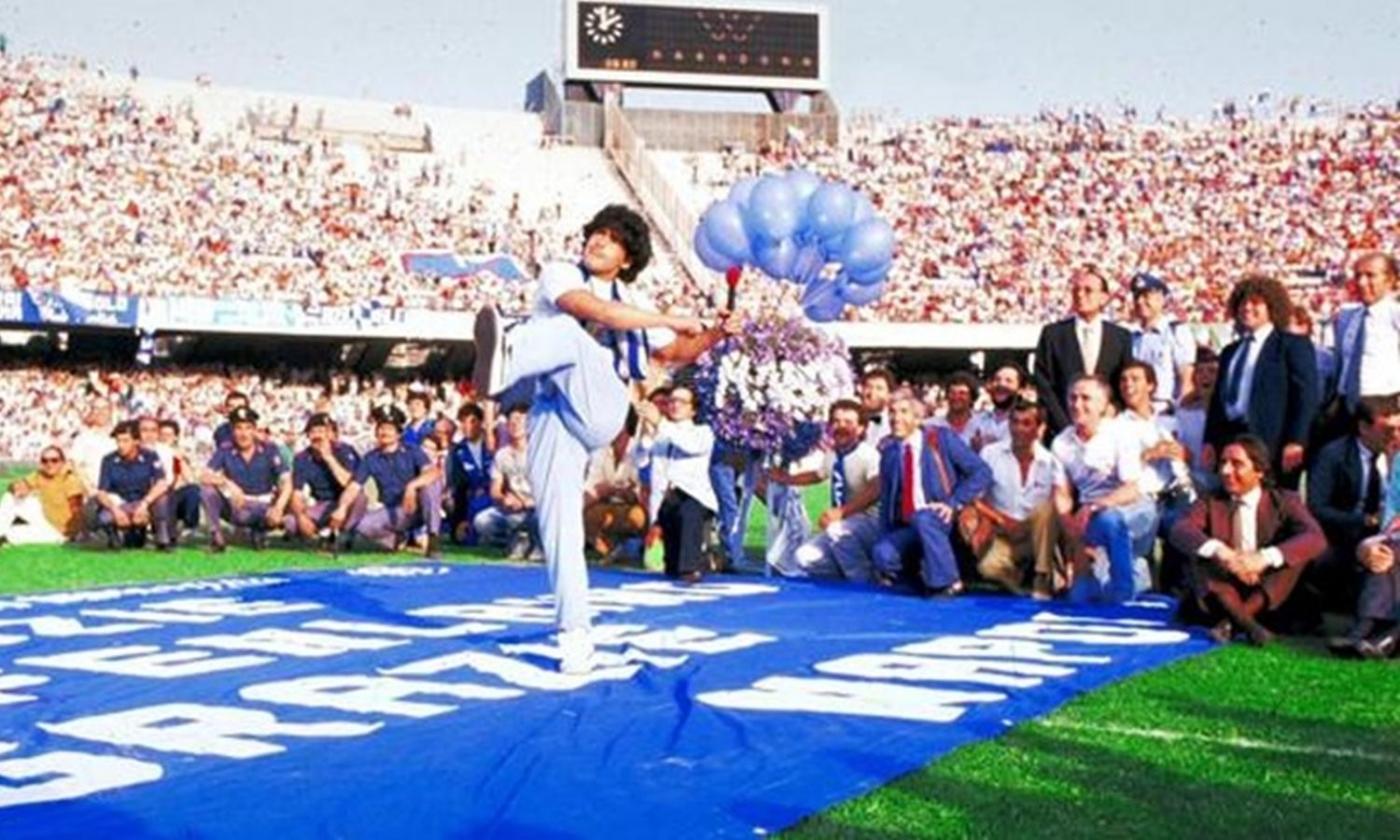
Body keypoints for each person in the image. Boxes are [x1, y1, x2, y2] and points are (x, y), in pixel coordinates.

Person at [471, 204, 731, 673]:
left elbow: (673, 353)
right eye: (595, 233)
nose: (597, 241)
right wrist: (672, 319)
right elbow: (592, 310)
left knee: (566, 338)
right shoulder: (560, 273)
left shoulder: (634, 301)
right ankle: (575, 634)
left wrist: (714, 334)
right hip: (553, 409)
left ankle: (504, 362)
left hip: (604, 403)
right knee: (558, 524)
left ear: (626, 258)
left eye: (611, 239)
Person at [1169, 435, 1326, 646]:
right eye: (1223, 462)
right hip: (1223, 592)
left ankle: (1233, 623)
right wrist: (1223, 553)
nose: (1225, 471)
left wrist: (1263, 559)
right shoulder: (1210, 500)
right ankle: (1249, 626)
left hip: (1268, 595)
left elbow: (1315, 537)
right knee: (1201, 554)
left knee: (1293, 557)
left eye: (1237, 464)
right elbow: (1180, 529)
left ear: (1259, 471)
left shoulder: (1286, 500)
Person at [871, 394, 992, 596]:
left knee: (924, 518)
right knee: (883, 553)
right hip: (909, 525)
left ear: (918, 419)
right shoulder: (890, 453)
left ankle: (949, 582)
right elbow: (887, 501)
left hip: (943, 519)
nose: (895, 418)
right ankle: (917, 576)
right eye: (891, 412)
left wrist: (954, 503)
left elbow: (981, 472)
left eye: (903, 412)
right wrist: (885, 538)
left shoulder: (941, 439)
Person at [1204, 274, 1317, 489]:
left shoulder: (1292, 346)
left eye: (1255, 303)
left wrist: (1297, 440)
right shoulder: (1230, 352)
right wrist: (1209, 441)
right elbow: (1218, 402)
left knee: (1273, 506)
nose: (1247, 308)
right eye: (1242, 303)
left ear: (1272, 307)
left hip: (1272, 442)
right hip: (1231, 438)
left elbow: (1306, 396)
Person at [1052, 375, 1158, 604]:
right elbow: (1061, 493)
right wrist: (1068, 526)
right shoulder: (1062, 442)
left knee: (1111, 520)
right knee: (1079, 599)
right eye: (1072, 398)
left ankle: (1123, 591)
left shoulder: (1121, 433)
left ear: (1102, 405)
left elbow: (1132, 489)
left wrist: (1094, 506)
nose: (1077, 404)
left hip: (1135, 510)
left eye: (1085, 398)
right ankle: (1133, 572)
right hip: (1092, 518)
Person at [1307, 395, 1400, 617]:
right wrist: (1366, 520)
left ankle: (1370, 626)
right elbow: (1317, 507)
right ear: (1363, 428)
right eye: (1387, 430)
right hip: (1344, 536)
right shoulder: (1333, 455)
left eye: (1399, 429)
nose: (1395, 436)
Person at [962, 399, 1066, 597]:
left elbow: (1060, 506)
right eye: (1014, 422)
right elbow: (975, 497)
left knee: (1047, 509)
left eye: (1026, 423)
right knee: (988, 567)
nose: (1018, 429)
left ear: (1039, 428)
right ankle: (1019, 581)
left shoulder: (1052, 463)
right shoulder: (990, 454)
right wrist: (996, 519)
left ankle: (1043, 576)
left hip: (1036, 533)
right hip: (1002, 530)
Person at [784, 400, 882, 582]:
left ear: (861, 428)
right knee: (804, 557)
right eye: (836, 422)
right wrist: (786, 478)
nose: (841, 427)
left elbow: (876, 488)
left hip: (870, 523)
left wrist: (842, 512)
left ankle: (863, 582)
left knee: (836, 529)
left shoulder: (868, 455)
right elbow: (818, 474)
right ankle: (847, 573)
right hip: (843, 522)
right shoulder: (833, 454)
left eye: (848, 422)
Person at [1033, 266, 1135, 434]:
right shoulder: (1053, 334)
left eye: (1088, 290)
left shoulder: (1120, 337)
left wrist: (1110, 415)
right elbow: (1044, 385)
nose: (1080, 295)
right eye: (1076, 290)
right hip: (1063, 431)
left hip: (1107, 431)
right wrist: (1066, 426)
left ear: (1103, 297)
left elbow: (1123, 383)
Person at [639, 385, 718, 582]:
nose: (675, 405)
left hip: (693, 498)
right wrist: (647, 434)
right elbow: (640, 460)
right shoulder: (661, 433)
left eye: (681, 402)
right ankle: (691, 561)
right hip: (665, 502)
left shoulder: (702, 432)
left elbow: (690, 445)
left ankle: (694, 565)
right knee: (671, 567)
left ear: (693, 409)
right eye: (672, 401)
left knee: (689, 509)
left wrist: (660, 423)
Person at [345, 404, 444, 558]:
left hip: (417, 505)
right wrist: (341, 508)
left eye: (389, 428)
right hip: (394, 509)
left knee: (431, 485)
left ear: (399, 433)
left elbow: (434, 472)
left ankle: (433, 539)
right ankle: (398, 539)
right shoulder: (370, 458)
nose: (384, 432)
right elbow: (354, 486)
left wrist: (412, 486)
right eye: (381, 428)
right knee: (363, 527)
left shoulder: (412, 451)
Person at [1321, 252, 1400, 445]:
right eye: (1358, 276)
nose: (1362, 282)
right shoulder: (1347, 316)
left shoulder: (1395, 315)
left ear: (1389, 280)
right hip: (1343, 403)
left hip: (1381, 404)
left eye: (1370, 275)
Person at [201, 406, 292, 552]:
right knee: (207, 491)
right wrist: (227, 483)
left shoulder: (269, 449)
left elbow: (286, 480)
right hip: (237, 505)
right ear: (232, 431)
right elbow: (204, 475)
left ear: (255, 430)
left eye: (248, 428)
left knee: (290, 522)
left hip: (264, 505)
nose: (243, 434)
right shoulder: (225, 449)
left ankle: (261, 531)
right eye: (239, 428)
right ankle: (216, 537)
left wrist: (279, 508)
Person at [473, 404, 539, 560]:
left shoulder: (539, 452)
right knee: (482, 521)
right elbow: (495, 490)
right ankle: (516, 540)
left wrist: (529, 502)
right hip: (513, 508)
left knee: (542, 517)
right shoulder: (502, 455)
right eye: (512, 421)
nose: (515, 424)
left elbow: (552, 489)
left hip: (537, 506)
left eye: (520, 420)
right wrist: (504, 499)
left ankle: (537, 542)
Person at [96, 420, 173, 551]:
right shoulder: (109, 460)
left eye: (125, 441)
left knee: (162, 500)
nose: (121, 445)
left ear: (136, 441)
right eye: (118, 441)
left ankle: (162, 539)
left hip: (143, 502)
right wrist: (115, 510)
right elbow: (101, 491)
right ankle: (115, 537)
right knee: (104, 517)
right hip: (121, 503)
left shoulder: (150, 456)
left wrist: (145, 504)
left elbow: (162, 483)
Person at [287, 413, 362, 546]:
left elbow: (348, 483)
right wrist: (301, 517)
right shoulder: (302, 458)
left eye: (321, 431)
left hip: (346, 502)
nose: (317, 436)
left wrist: (329, 458)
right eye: (313, 432)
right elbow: (296, 493)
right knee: (291, 522)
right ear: (308, 435)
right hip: (322, 503)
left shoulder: (344, 451)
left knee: (359, 497)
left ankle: (346, 534)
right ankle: (323, 533)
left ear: (329, 434)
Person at [1129, 272, 1197, 410]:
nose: (1140, 302)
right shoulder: (1131, 336)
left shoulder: (1175, 331)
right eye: (1136, 297)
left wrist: (1180, 409)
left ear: (1161, 299)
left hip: (1165, 408)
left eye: (1146, 296)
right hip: (1136, 410)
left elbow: (1186, 376)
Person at [583, 414, 646, 563]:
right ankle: (609, 551)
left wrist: (629, 492)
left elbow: (642, 486)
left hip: (634, 505)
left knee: (636, 516)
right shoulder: (600, 450)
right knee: (586, 514)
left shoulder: (638, 448)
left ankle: (633, 548)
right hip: (606, 502)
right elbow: (592, 483)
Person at [0, 446, 84, 546]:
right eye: (45, 461)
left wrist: (75, 535)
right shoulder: (40, 475)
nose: (49, 464)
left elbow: (77, 511)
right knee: (10, 497)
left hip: (58, 530)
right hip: (44, 518)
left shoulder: (70, 480)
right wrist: (16, 489)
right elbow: (17, 485)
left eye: (54, 460)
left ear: (62, 462)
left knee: (12, 533)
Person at [447, 402, 495, 545]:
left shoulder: (492, 444)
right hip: (470, 500)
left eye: (473, 421)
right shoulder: (457, 451)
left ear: (480, 422)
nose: (468, 426)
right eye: (463, 422)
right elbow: (459, 487)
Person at [156, 419, 201, 540]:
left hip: (174, 492)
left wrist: (180, 460)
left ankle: (190, 525)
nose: (165, 438)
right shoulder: (152, 453)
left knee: (193, 490)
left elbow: (190, 479)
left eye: (169, 435)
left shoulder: (178, 455)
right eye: (162, 434)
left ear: (175, 437)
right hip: (157, 494)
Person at [928, 371, 980, 446]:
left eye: (962, 393)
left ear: (972, 397)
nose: (956, 397)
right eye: (952, 392)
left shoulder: (981, 425)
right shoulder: (932, 425)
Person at [859, 367, 897, 445]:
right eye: (868, 387)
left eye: (879, 388)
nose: (872, 393)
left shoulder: (894, 424)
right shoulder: (850, 420)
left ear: (889, 395)